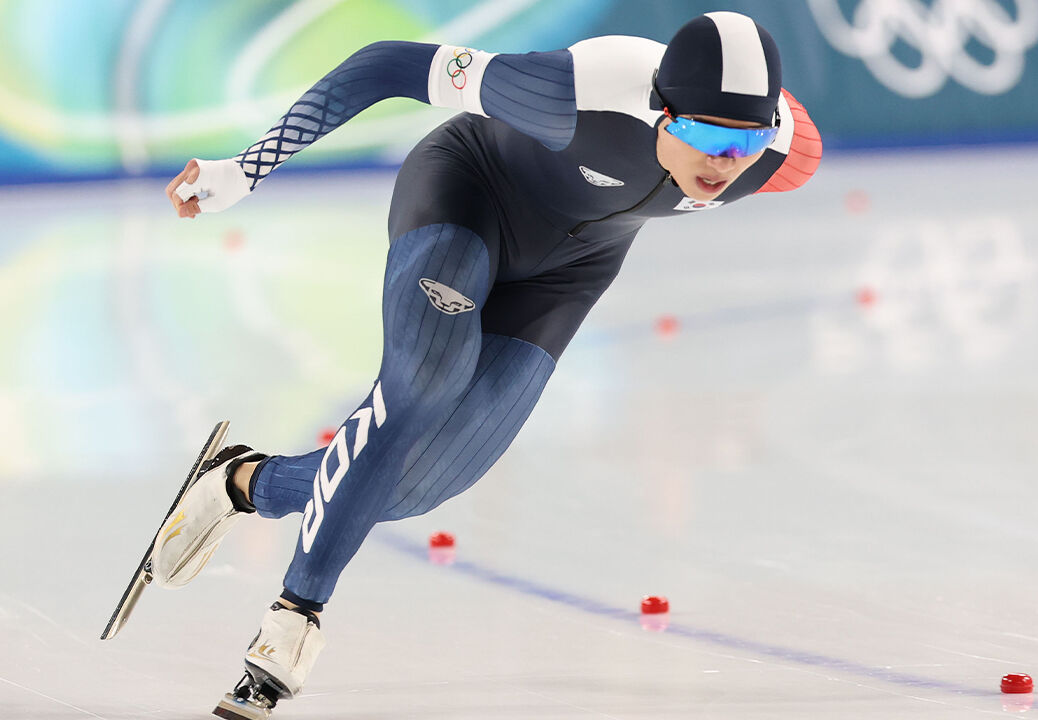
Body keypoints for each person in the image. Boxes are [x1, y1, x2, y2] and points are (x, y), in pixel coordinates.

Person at [154, 11, 821, 716]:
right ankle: (291, 624)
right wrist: (246, 168)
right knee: (422, 385)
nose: (722, 161)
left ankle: (242, 482)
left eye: (743, 140)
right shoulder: (570, 93)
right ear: (661, 109)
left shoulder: (785, 154)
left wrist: (747, 140)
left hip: (568, 275)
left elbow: (757, 139)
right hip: (467, 201)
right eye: (703, 134)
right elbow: (385, 63)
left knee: (418, 487)